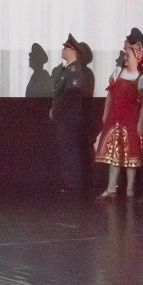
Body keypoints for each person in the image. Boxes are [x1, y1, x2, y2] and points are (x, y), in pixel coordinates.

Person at [94, 28, 143, 199]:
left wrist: (140, 122)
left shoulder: (142, 78)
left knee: (131, 154)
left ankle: (129, 189)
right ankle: (111, 188)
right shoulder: (118, 72)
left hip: (131, 120)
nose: (125, 57)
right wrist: (105, 114)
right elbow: (110, 94)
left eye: (128, 54)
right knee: (114, 154)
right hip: (115, 119)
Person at [50, 34, 91, 194]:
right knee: (65, 150)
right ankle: (70, 182)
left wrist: (56, 110)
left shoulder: (74, 71)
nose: (62, 50)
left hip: (69, 117)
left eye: (65, 47)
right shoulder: (66, 70)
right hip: (64, 117)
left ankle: (73, 183)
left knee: (70, 150)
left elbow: (69, 96)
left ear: (72, 50)